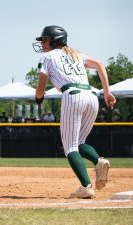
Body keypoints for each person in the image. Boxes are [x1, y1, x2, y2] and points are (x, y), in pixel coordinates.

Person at [33, 25, 116, 198]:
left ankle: (86, 186)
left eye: (45, 39)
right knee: (79, 142)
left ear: (54, 40)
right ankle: (99, 161)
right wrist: (107, 92)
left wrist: (39, 96)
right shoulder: (76, 54)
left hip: (73, 95)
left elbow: (40, 87)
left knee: (69, 147)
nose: (42, 43)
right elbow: (100, 64)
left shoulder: (47, 57)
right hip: (92, 95)